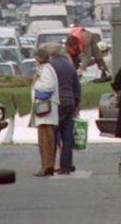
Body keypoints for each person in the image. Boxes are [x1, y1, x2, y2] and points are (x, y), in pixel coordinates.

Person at [49, 42, 81, 175]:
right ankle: (66, 166)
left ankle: (50, 165)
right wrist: (76, 103)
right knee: (67, 136)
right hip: (70, 102)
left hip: (56, 102)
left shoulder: (51, 66)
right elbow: (77, 86)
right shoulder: (69, 65)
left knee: (53, 134)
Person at [30, 45, 59, 176]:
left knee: (46, 139)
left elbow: (49, 86)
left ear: (39, 58)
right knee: (44, 138)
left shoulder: (46, 70)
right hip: (44, 108)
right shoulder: (45, 69)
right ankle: (46, 165)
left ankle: (47, 166)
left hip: (45, 107)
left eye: (36, 58)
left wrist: (36, 85)